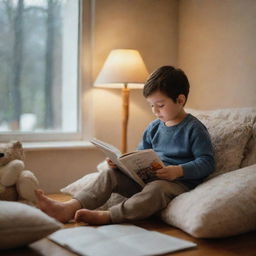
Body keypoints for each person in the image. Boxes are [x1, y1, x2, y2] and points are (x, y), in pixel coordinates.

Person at [35, 65, 215, 225]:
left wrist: (178, 170)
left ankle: (110, 216)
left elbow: (207, 162)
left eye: (160, 105)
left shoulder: (194, 129)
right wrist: (122, 164)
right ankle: (69, 208)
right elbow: (139, 156)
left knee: (156, 189)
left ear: (180, 100)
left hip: (176, 183)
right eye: (151, 105)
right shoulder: (153, 128)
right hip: (148, 179)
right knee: (110, 174)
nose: (155, 111)